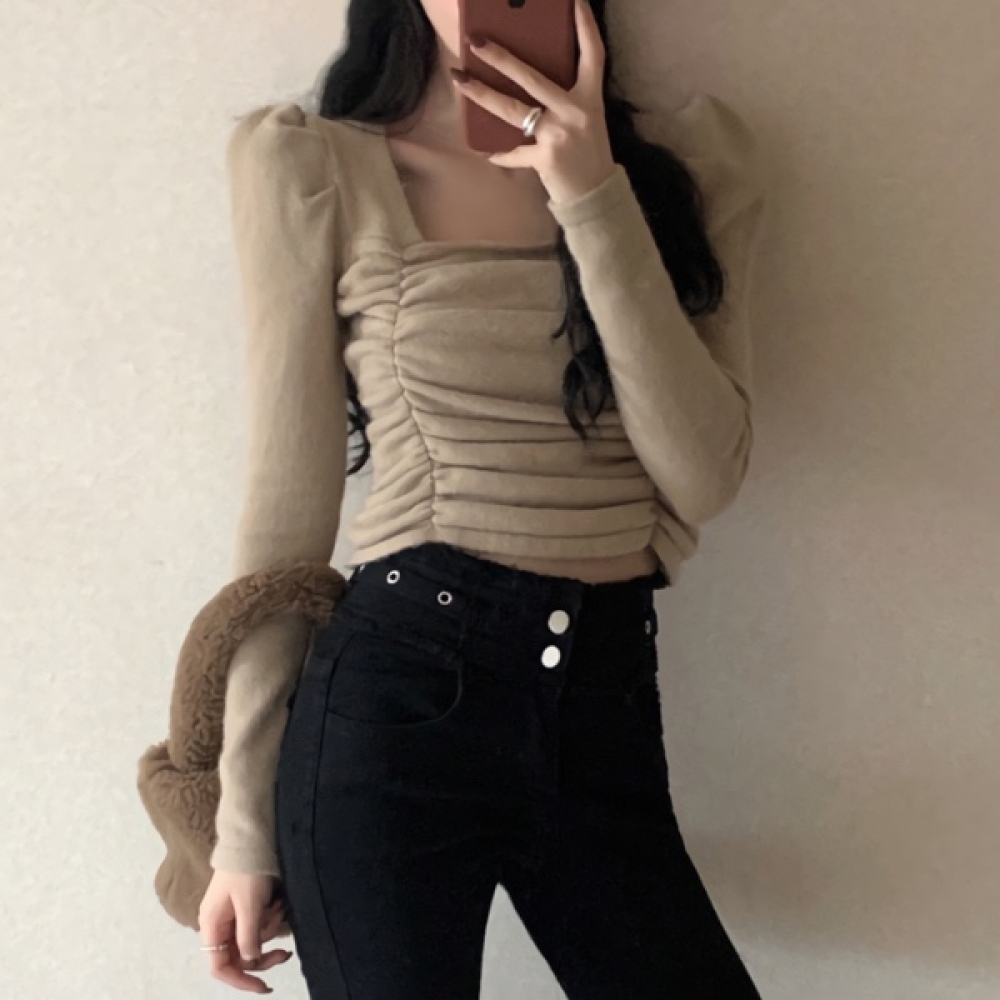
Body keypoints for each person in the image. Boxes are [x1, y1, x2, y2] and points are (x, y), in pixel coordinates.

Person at [197, 0, 768, 996]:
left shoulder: (690, 167)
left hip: (603, 705)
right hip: (397, 703)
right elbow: (285, 508)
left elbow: (703, 474)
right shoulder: (317, 166)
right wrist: (241, 826)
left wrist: (591, 194)